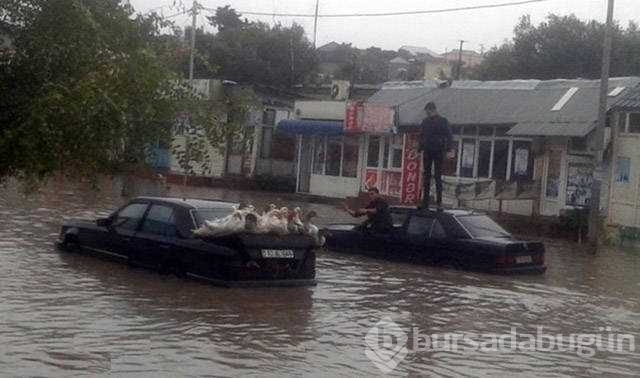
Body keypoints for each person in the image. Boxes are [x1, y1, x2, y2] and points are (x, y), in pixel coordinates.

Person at [418, 102, 454, 211]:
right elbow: (422, 136)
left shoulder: (442, 121)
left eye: (427, 111)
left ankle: (438, 203)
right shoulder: (426, 121)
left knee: (437, 177)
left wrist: (448, 149)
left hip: (437, 151)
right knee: (428, 177)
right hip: (430, 151)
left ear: (432, 109)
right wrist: (419, 150)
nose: (427, 113)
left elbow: (449, 136)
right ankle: (426, 203)